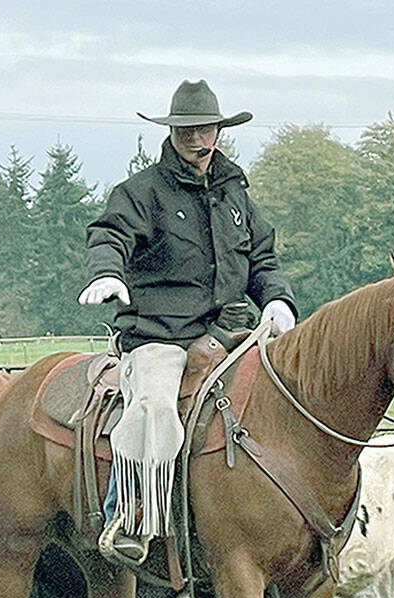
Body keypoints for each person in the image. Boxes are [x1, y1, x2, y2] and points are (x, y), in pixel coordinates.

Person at [79, 79, 298, 563]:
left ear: (220, 129)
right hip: (161, 336)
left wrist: (278, 300)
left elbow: (262, 258)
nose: (199, 141)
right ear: (173, 132)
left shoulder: (235, 192)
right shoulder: (141, 193)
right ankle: (132, 516)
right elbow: (109, 235)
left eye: (207, 130)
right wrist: (108, 272)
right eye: (189, 132)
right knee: (154, 407)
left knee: (291, 396)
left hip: (231, 332)